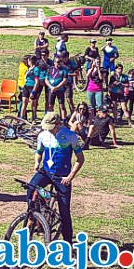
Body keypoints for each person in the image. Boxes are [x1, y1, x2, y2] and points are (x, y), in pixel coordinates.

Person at [29, 112, 85, 244]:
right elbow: (39, 153)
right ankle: (34, 215)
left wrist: (70, 176)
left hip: (62, 176)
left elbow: (80, 159)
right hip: (46, 172)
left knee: (64, 211)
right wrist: (37, 162)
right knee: (30, 188)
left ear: (58, 124)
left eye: (51, 127)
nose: (48, 131)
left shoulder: (70, 136)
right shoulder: (42, 135)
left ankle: (68, 243)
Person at [20, 56, 41, 121]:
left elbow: (37, 82)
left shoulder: (36, 69)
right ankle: (21, 118)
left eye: (28, 61)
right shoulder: (28, 68)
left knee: (33, 104)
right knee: (24, 102)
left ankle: (34, 118)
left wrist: (33, 92)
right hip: (26, 86)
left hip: (32, 87)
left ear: (31, 61)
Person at [59, 52, 78, 117]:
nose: (62, 59)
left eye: (63, 57)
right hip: (60, 84)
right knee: (61, 101)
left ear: (67, 57)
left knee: (69, 100)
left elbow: (76, 73)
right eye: (61, 57)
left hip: (68, 83)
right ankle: (62, 115)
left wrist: (67, 74)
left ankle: (73, 114)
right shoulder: (59, 62)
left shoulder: (72, 63)